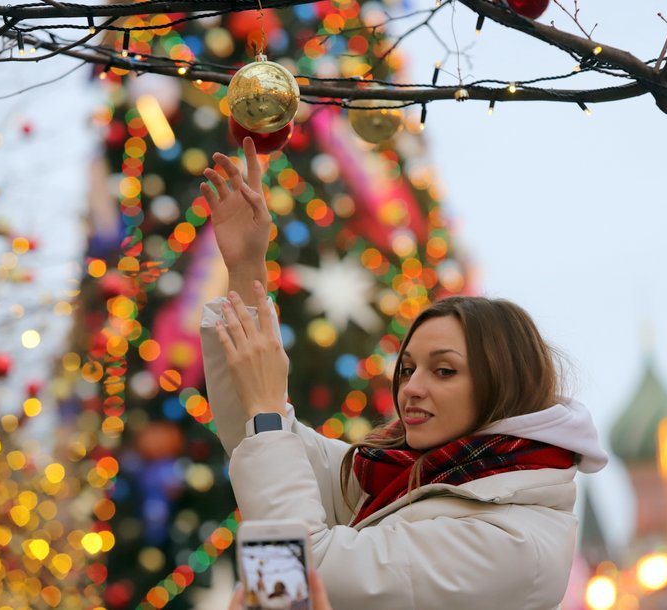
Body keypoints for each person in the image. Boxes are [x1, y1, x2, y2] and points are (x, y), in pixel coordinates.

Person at [199, 138, 609, 610]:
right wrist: (247, 268)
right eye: (409, 368)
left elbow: (297, 572)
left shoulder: (513, 544)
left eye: (445, 370)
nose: (412, 388)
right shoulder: (397, 476)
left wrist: (268, 410)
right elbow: (256, 439)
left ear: (503, 387)